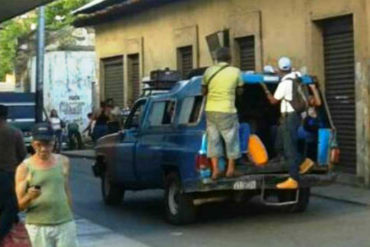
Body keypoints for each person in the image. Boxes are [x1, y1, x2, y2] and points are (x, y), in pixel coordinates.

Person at [15, 123, 78, 247]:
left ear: (54, 142)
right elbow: (19, 206)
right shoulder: (24, 168)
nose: (44, 149)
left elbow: (66, 190)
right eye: (39, 144)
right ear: (33, 144)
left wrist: (70, 217)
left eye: (48, 144)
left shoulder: (63, 161)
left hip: (64, 224)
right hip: (38, 226)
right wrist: (29, 196)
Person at [263, 57, 318, 189]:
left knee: (289, 148)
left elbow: (273, 101)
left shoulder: (285, 83)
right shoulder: (297, 77)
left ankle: (293, 178)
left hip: (289, 117)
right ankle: (304, 162)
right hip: (295, 117)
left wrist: (265, 89)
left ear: (280, 69)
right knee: (280, 143)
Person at [202, 47, 244, 179]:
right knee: (231, 139)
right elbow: (240, 91)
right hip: (227, 110)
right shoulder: (236, 71)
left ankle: (215, 171)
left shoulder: (209, 71)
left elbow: (203, 91)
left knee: (213, 139)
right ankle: (230, 170)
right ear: (230, 59)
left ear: (216, 59)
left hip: (210, 110)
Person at [0, 105, 27, 244]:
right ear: (6, 116)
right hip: (9, 175)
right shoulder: (15, 132)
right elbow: (22, 154)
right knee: (11, 208)